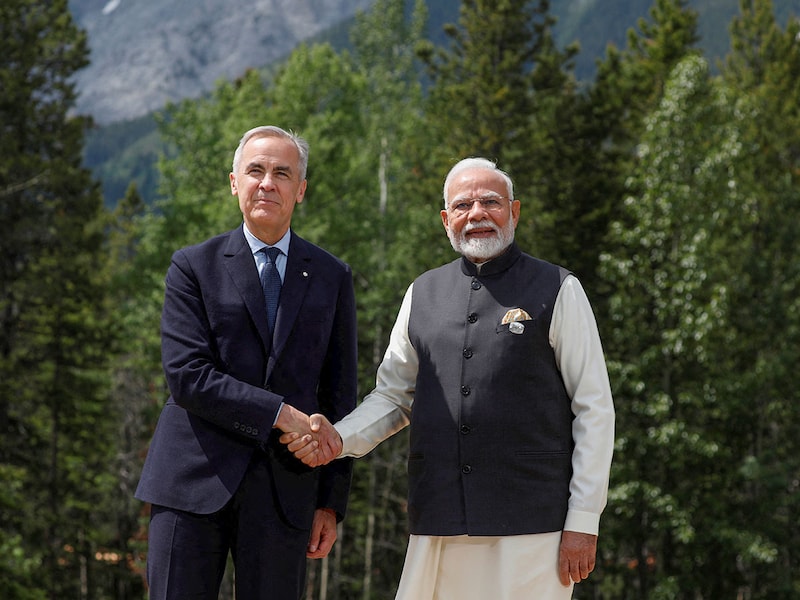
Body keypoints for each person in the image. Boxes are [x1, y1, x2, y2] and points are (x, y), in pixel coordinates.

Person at [283, 157, 615, 598]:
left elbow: (594, 409)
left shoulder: (559, 288)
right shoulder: (422, 293)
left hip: (534, 525)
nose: (476, 214)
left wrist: (584, 520)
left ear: (514, 212)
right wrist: (338, 439)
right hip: (438, 517)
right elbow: (393, 397)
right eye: (462, 205)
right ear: (446, 220)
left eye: (491, 202)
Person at [135, 125, 358, 600]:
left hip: (286, 491)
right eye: (255, 171)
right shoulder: (192, 266)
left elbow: (340, 394)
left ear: (301, 189)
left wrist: (330, 502)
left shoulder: (332, 276)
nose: (267, 183)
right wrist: (280, 414)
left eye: (282, 173)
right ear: (235, 183)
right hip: (191, 480)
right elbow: (187, 376)